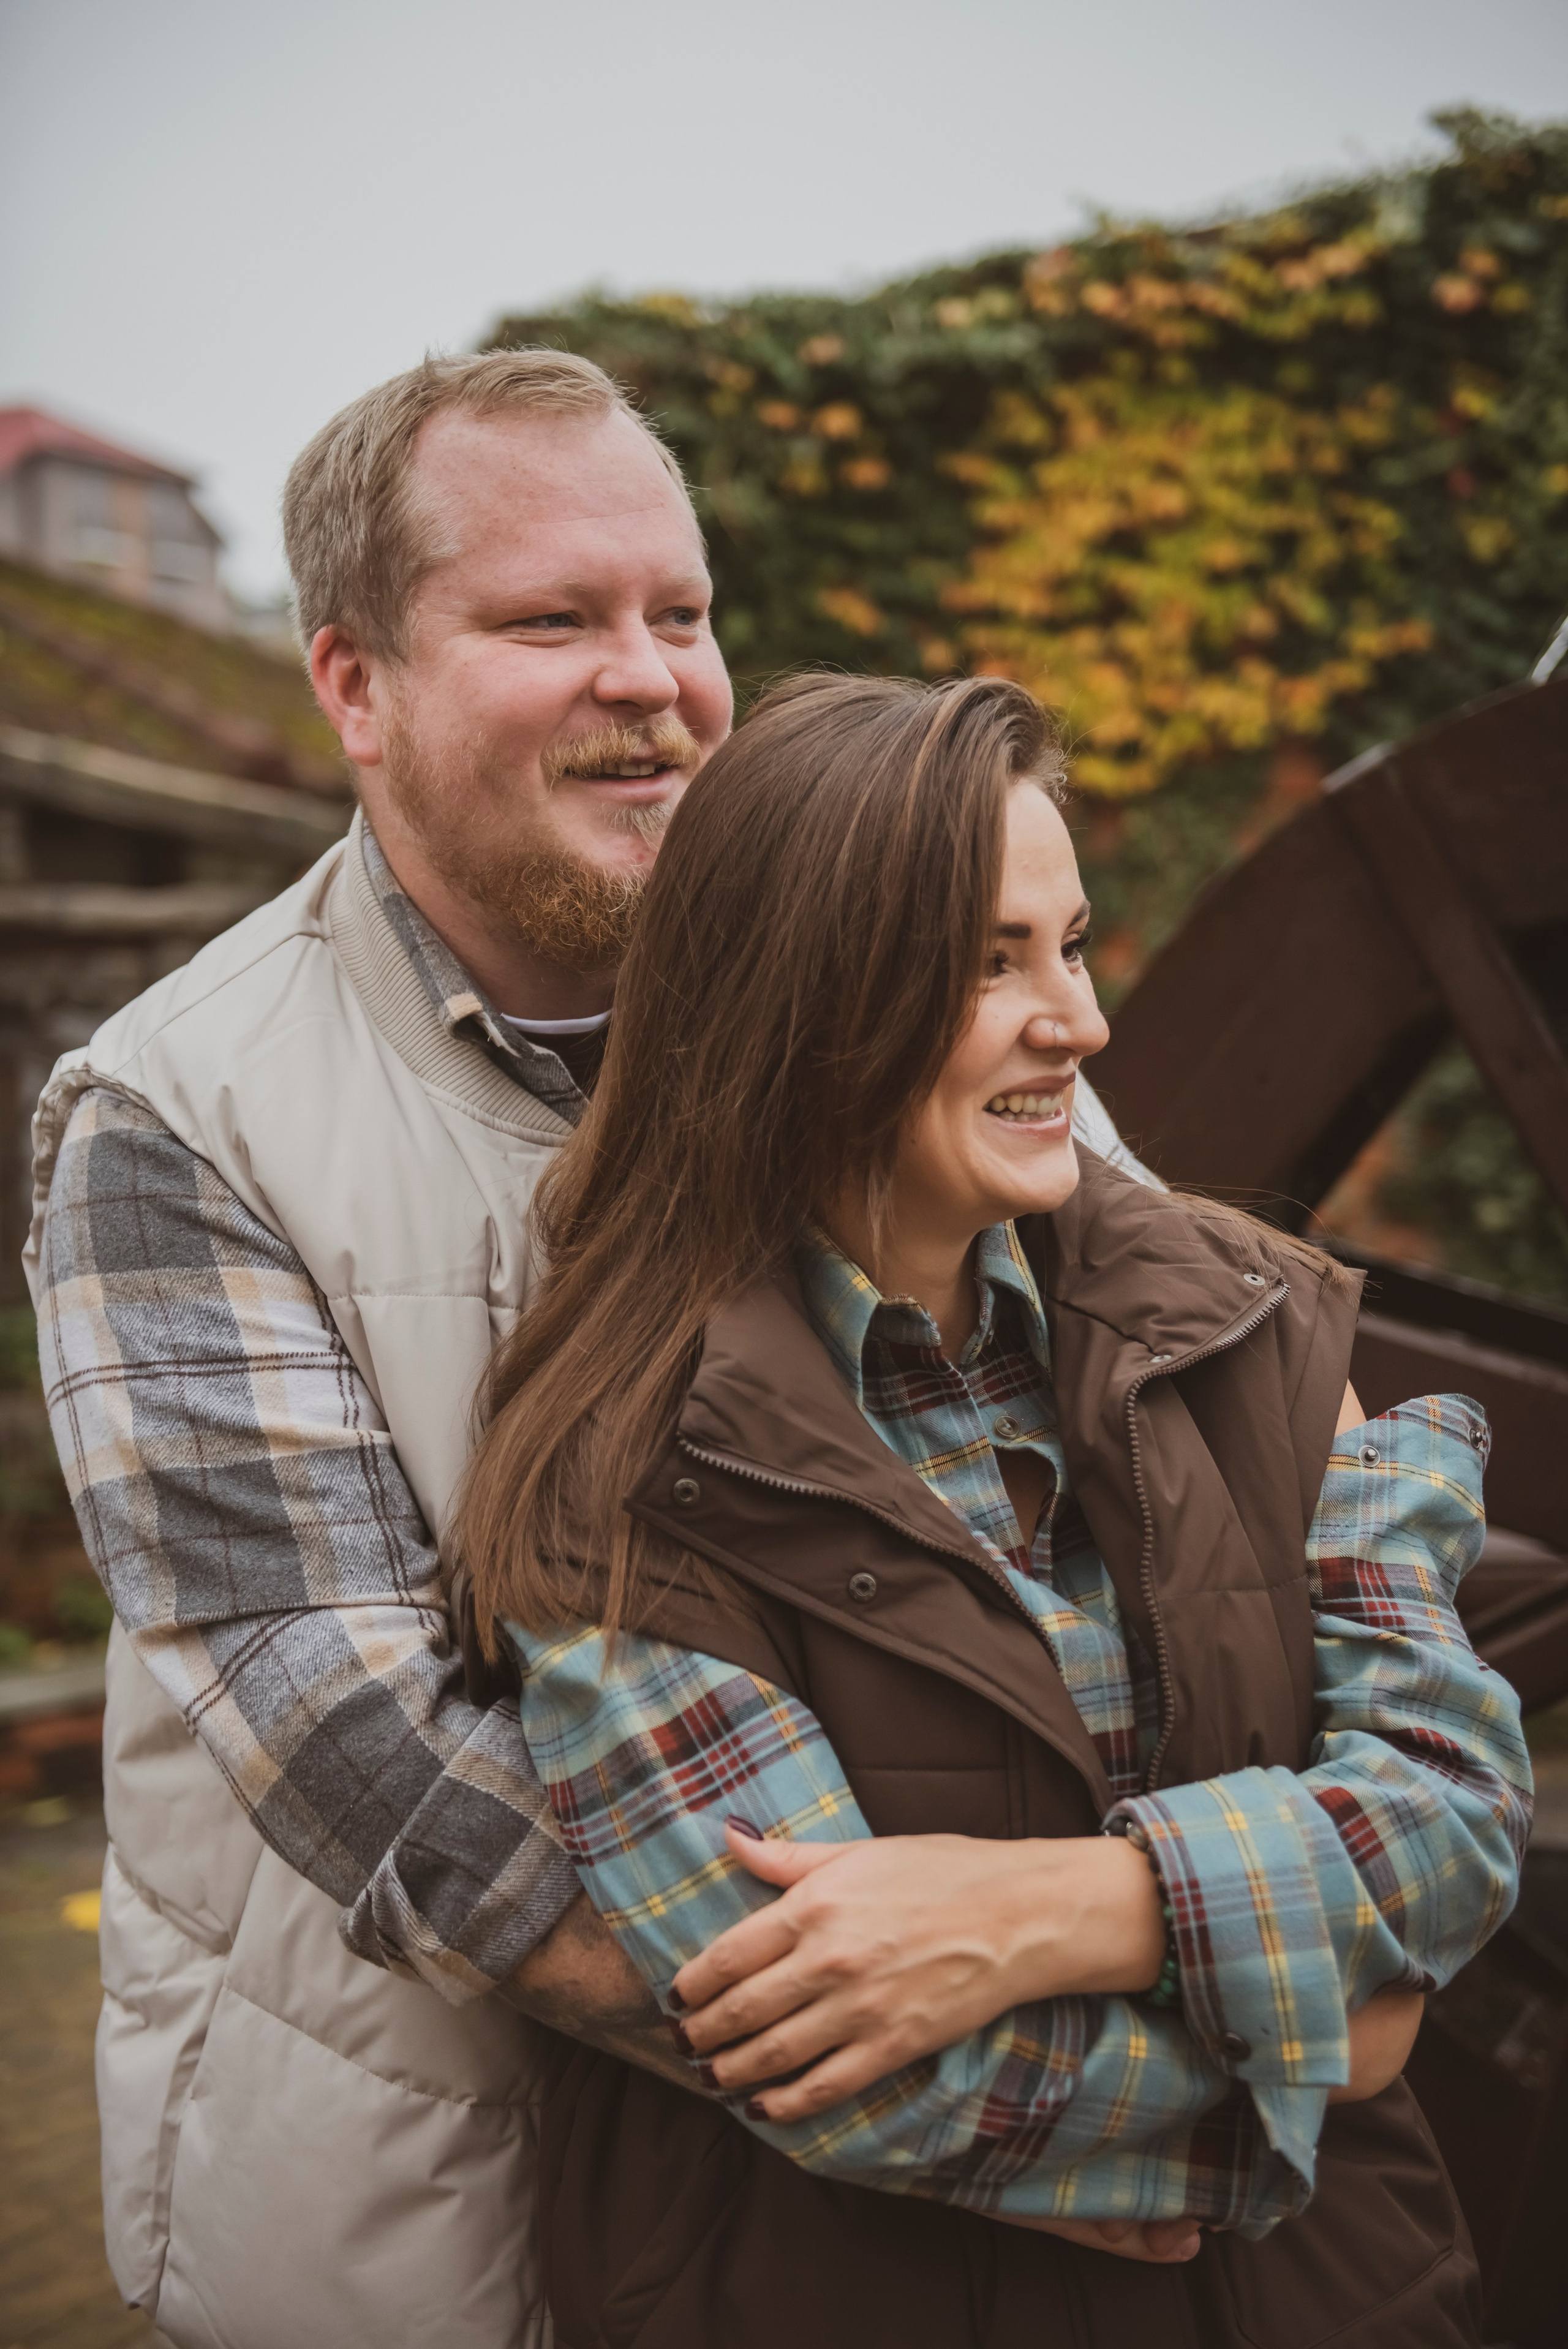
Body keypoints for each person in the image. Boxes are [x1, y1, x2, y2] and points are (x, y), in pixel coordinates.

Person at [26, 350, 1147, 2347]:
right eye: (554, 619)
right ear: (354, 685)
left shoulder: (930, 989)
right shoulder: (179, 1114)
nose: (655, 678)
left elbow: (1210, 1455)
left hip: (869, 2257)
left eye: (685, 613)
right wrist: (1069, 2099)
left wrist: (1130, 1912)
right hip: (430, 2237)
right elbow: (385, 1766)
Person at [456, 671, 1532, 2349]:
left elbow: (1457, 1815)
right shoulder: (618, 1473)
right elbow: (861, 2077)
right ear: (804, 1003)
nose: (1081, 1021)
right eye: (989, 962)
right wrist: (1332, 2021)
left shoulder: (1259, 1319)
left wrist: (1062, 1909)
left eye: (1074, 942)